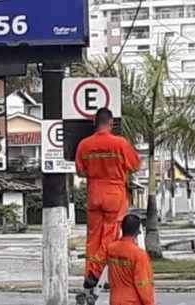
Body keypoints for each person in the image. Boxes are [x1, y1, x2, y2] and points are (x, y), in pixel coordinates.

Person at [75, 108, 141, 305]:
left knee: (93, 239)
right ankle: (94, 274)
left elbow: (80, 171)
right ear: (111, 123)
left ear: (95, 123)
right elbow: (135, 165)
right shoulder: (120, 143)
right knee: (110, 237)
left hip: (94, 194)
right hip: (115, 194)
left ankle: (88, 277)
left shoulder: (84, 144)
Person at [106, 214, 155, 305]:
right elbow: (143, 284)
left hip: (115, 300)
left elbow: (110, 275)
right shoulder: (139, 255)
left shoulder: (111, 249)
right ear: (137, 232)